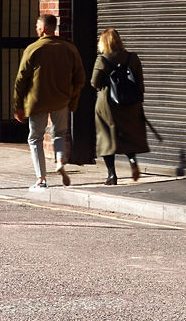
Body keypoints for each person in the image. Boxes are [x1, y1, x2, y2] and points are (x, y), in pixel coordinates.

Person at [12, 14, 85, 190]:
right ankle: (60, 161)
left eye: (37, 26)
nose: (36, 29)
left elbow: (21, 80)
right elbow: (80, 78)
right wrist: (71, 98)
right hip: (61, 99)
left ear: (43, 28)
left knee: (35, 138)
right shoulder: (69, 48)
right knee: (59, 133)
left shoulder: (33, 49)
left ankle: (41, 179)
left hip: (37, 101)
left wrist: (18, 106)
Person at [92, 28, 149, 185]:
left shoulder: (102, 60)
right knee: (127, 135)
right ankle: (132, 160)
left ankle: (112, 175)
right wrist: (138, 103)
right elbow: (140, 83)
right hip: (131, 103)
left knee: (107, 139)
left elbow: (94, 82)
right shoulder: (133, 58)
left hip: (107, 105)